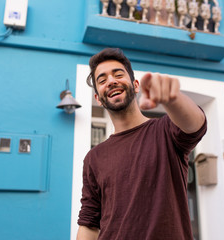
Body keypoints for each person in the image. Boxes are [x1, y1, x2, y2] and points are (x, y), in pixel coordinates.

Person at [77, 48, 206, 240]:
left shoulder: (165, 132)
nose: (111, 81)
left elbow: (195, 125)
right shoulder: (93, 158)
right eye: (102, 80)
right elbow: (89, 223)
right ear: (99, 98)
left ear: (136, 85)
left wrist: (172, 98)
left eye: (118, 74)